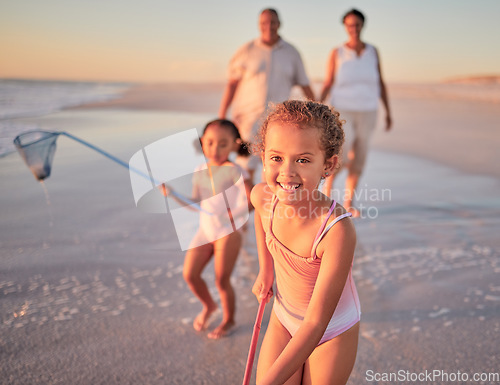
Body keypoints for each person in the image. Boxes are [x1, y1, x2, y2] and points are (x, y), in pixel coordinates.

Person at [251, 100, 360, 384]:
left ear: (328, 165)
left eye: (302, 160)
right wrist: (266, 269)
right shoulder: (262, 197)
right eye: (276, 158)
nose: (286, 172)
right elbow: (261, 223)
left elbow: (315, 323)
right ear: (263, 157)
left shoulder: (336, 230)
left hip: (328, 331)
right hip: (283, 318)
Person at [161, 119, 252, 339]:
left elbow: (252, 201)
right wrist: (172, 194)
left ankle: (229, 320)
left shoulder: (235, 170)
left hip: (228, 232)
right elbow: (195, 203)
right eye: (210, 143)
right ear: (202, 143)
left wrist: (234, 214)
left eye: (223, 144)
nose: (215, 149)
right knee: (190, 274)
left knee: (221, 279)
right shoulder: (200, 169)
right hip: (206, 230)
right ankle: (209, 306)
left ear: (234, 144)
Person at [219, 8, 315, 182]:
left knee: (274, 170)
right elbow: (232, 84)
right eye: (264, 22)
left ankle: (267, 209)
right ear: (259, 25)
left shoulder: (292, 52)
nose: (268, 26)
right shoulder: (246, 50)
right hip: (246, 120)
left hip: (278, 120)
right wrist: (222, 115)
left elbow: (305, 84)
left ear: (279, 24)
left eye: (273, 22)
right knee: (245, 169)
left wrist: (317, 113)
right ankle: (250, 207)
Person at [320, 8, 392, 217]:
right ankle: (326, 195)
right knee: (341, 151)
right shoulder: (337, 53)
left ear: (363, 25)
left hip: (369, 110)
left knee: (360, 155)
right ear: (345, 27)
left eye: (357, 24)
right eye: (350, 25)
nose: (354, 29)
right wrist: (317, 106)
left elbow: (380, 82)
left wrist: (388, 111)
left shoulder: (372, 51)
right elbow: (328, 82)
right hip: (342, 109)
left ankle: (349, 203)